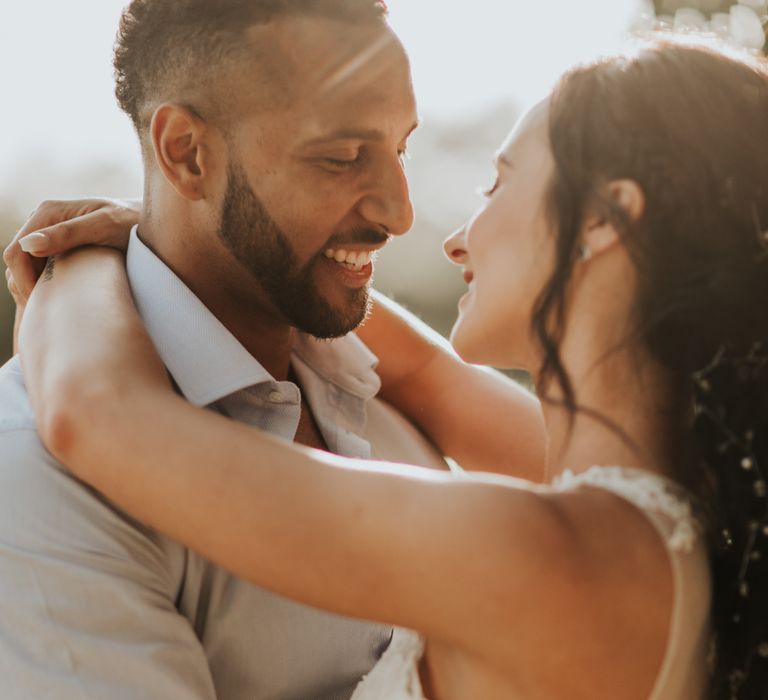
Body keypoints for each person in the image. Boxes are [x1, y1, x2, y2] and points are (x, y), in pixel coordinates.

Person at [12, 38, 768, 698]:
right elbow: (424, 371)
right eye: (344, 155)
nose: (446, 233)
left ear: (604, 220)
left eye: (497, 183)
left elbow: (102, 417)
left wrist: (70, 266)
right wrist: (175, 232)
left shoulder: (543, 556)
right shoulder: (688, 498)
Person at [0, 1, 545, 698]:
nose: (400, 212)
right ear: (187, 153)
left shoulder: (394, 389)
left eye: (400, 148)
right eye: (343, 157)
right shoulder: (39, 481)